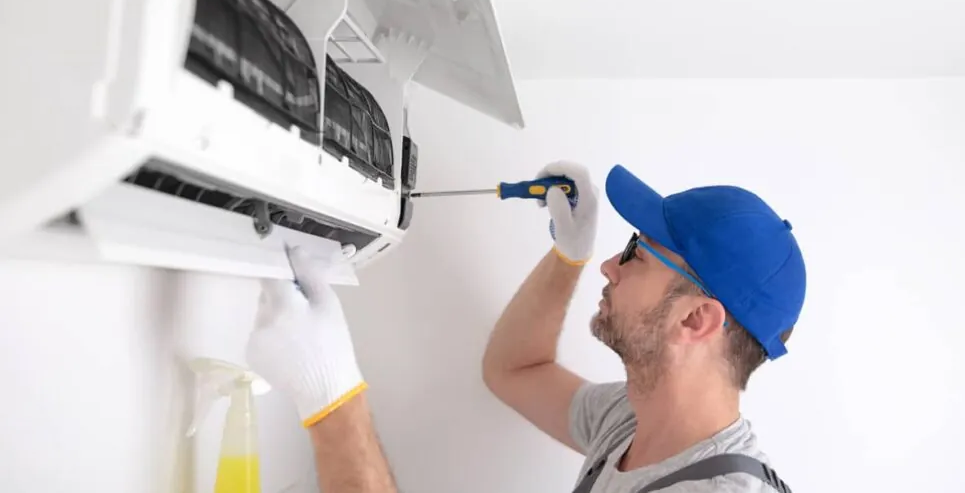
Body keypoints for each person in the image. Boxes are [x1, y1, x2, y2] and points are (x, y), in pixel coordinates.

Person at [246, 160, 805, 492]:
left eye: (637, 251)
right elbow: (514, 369)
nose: (611, 265)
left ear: (696, 318)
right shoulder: (632, 419)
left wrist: (332, 403)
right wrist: (568, 256)